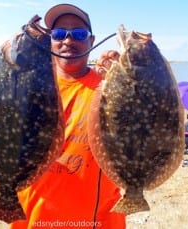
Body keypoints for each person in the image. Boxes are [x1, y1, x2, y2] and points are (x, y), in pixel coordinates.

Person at [10, 3, 126, 229]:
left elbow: (142, 132)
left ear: (91, 41)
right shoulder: (26, 87)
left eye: (79, 34)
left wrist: (125, 79)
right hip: (31, 218)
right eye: (59, 33)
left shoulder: (109, 88)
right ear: (49, 40)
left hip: (98, 222)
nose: (68, 40)